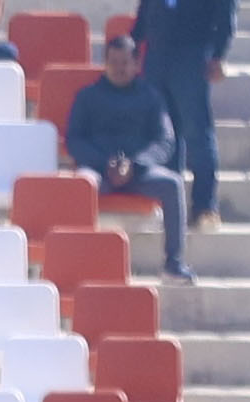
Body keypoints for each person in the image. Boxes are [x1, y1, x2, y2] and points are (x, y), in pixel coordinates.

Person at [60, 30, 189, 277]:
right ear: (105, 63)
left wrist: (136, 165)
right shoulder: (87, 96)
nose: (119, 68)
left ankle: (173, 262)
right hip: (98, 170)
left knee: (172, 183)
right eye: (114, 62)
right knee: (80, 184)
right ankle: (74, 263)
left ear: (136, 64)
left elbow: (165, 140)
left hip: (140, 173)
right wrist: (102, 162)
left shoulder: (152, 98)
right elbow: (74, 139)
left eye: (125, 63)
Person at [133, 0, 229, 226]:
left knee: (196, 130)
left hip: (192, 55)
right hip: (156, 54)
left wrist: (219, 54)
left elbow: (225, 10)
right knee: (163, 132)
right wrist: (136, 39)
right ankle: (170, 205)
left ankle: (205, 206)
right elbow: (147, 7)